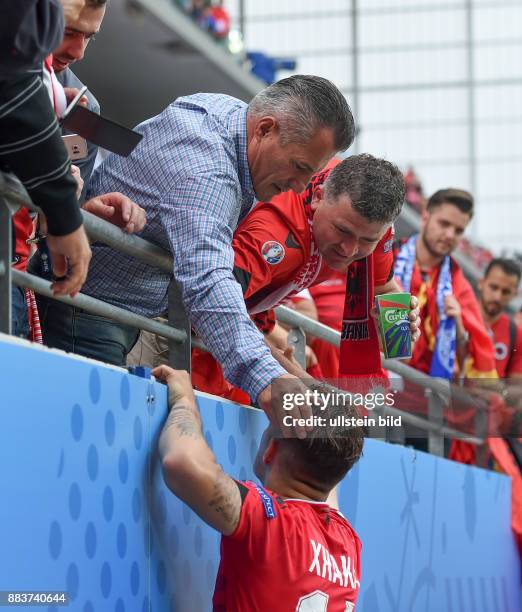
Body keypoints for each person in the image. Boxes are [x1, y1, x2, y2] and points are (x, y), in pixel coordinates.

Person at [39, 75, 356, 426]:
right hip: (96, 313)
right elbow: (209, 282)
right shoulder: (210, 175)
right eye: (299, 168)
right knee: (91, 435)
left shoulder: (231, 119)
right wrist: (268, 377)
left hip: (125, 311)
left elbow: (388, 290)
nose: (298, 186)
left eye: (369, 241)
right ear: (265, 129)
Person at [128, 154, 421, 401]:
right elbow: (212, 311)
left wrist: (399, 330)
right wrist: (302, 380)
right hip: (168, 320)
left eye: (366, 240)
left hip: (227, 331)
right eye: (342, 231)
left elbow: (393, 338)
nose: (349, 250)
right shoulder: (274, 237)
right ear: (319, 198)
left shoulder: (373, 229)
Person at [156, 365, 364, 610]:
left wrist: (183, 400)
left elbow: (180, 461)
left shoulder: (269, 520)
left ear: (271, 450)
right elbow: (335, 441)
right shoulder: (347, 541)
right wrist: (276, 363)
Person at [0, 0, 92, 302]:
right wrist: (65, 212)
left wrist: (47, 98)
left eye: (89, 36)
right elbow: (13, 90)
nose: (79, 52)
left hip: (15, 255)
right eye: (69, 29)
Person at [394, 188, 496, 380]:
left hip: (429, 401)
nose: (450, 235)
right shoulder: (389, 258)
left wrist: (458, 327)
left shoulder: (460, 286)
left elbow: (475, 364)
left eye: (459, 230)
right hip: (382, 391)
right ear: (425, 216)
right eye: (444, 224)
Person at [478, 258, 522, 379]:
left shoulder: (517, 335)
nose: (497, 297)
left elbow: (516, 386)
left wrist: (498, 389)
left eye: (506, 292)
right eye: (494, 287)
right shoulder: (457, 316)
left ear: (515, 294)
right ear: (481, 283)